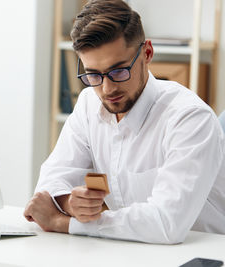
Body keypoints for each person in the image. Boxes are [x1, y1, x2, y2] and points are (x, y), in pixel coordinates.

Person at [24, 0, 225, 244]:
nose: (107, 89)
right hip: (133, 248)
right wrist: (71, 202)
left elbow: (166, 223)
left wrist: (64, 222)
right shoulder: (89, 103)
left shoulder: (190, 119)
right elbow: (52, 180)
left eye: (119, 71)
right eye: (93, 75)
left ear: (147, 53)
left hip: (202, 255)